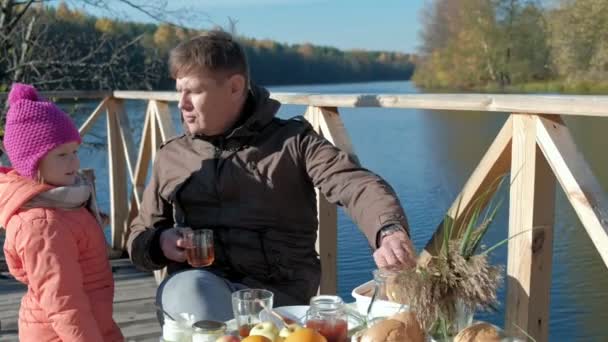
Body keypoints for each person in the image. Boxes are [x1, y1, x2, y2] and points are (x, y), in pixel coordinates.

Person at [127, 30, 416, 322]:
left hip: (276, 304)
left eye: (195, 91)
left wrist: (388, 231)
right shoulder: (171, 156)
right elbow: (138, 238)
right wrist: (160, 242)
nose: (182, 103)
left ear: (235, 87)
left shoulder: (292, 142)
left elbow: (355, 184)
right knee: (186, 291)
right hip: (199, 295)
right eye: (180, 91)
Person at [0, 84, 124, 341]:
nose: (75, 162)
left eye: (75, 151)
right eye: (62, 154)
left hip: (92, 323)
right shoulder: (41, 224)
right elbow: (64, 303)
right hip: (63, 334)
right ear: (32, 163)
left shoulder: (63, 200)